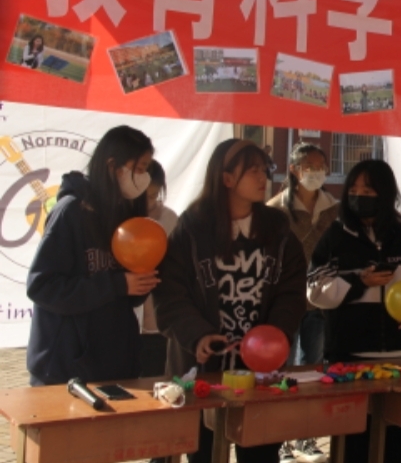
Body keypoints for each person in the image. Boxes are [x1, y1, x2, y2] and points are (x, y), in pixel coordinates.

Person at [154, 139, 307, 463]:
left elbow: (292, 291)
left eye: (264, 169)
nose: (263, 177)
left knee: (261, 455)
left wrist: (275, 333)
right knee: (204, 455)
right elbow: (171, 294)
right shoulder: (191, 228)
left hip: (260, 373)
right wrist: (197, 335)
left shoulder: (278, 229)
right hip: (202, 373)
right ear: (225, 178)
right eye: (252, 171)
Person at [308, 159, 401, 463]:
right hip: (350, 357)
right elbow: (315, 289)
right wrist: (359, 282)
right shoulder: (336, 235)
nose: (359, 195)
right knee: (353, 443)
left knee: (398, 439)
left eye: (368, 190)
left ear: (385, 193)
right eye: (354, 189)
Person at [25, 126, 158, 386]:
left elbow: (126, 295)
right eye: (139, 168)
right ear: (113, 166)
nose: (144, 178)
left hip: (116, 364)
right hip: (66, 370)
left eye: (146, 169)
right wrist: (117, 284)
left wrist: (142, 282)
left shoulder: (126, 213)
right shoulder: (70, 212)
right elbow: (42, 287)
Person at [267, 143, 337, 463]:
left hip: (320, 304)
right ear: (294, 170)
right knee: (282, 370)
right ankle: (280, 440)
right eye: (310, 166)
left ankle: (305, 437)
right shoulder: (275, 210)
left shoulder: (334, 209)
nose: (317, 172)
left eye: (321, 166)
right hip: (284, 303)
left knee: (313, 370)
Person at [138, 160, 179, 378]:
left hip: (157, 324)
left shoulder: (169, 219)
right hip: (124, 325)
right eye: (142, 196)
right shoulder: (114, 218)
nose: (148, 203)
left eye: (153, 196)